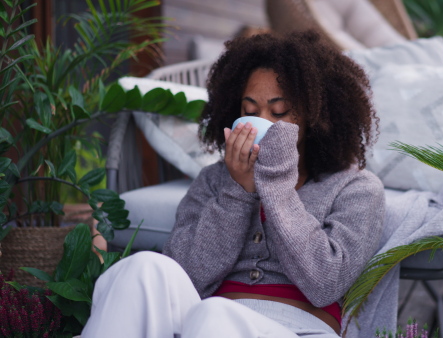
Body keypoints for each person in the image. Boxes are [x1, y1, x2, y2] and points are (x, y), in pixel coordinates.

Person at [82, 30, 385, 338]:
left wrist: (277, 187)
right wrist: (237, 192)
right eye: (250, 111)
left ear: (317, 116)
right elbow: (187, 277)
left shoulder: (356, 188)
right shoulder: (215, 180)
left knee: (217, 315)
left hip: (298, 329)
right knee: (144, 268)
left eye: (279, 112)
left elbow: (325, 284)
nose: (261, 123)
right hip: (202, 321)